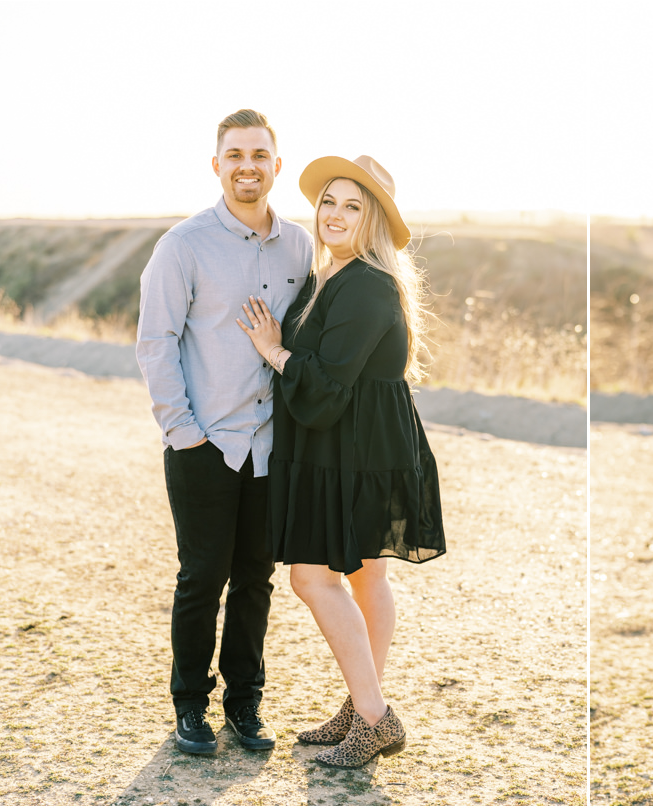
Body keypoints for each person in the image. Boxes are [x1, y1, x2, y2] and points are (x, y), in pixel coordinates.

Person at [238, 154, 446, 769]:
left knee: (312, 578)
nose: (335, 213)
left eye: (353, 205)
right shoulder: (331, 273)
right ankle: (362, 706)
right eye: (330, 200)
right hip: (350, 445)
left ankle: (376, 717)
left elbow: (325, 388)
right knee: (365, 577)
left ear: (374, 220)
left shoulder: (368, 283)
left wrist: (274, 351)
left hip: (357, 451)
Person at [136, 109, 313, 754]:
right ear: (217, 165)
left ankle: (245, 704)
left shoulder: (300, 245)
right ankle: (190, 705)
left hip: (272, 447)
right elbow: (155, 342)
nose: (247, 166)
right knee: (201, 578)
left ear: (276, 165)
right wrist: (182, 431)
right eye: (234, 155)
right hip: (204, 443)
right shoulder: (182, 245)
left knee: (256, 581)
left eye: (259, 155)